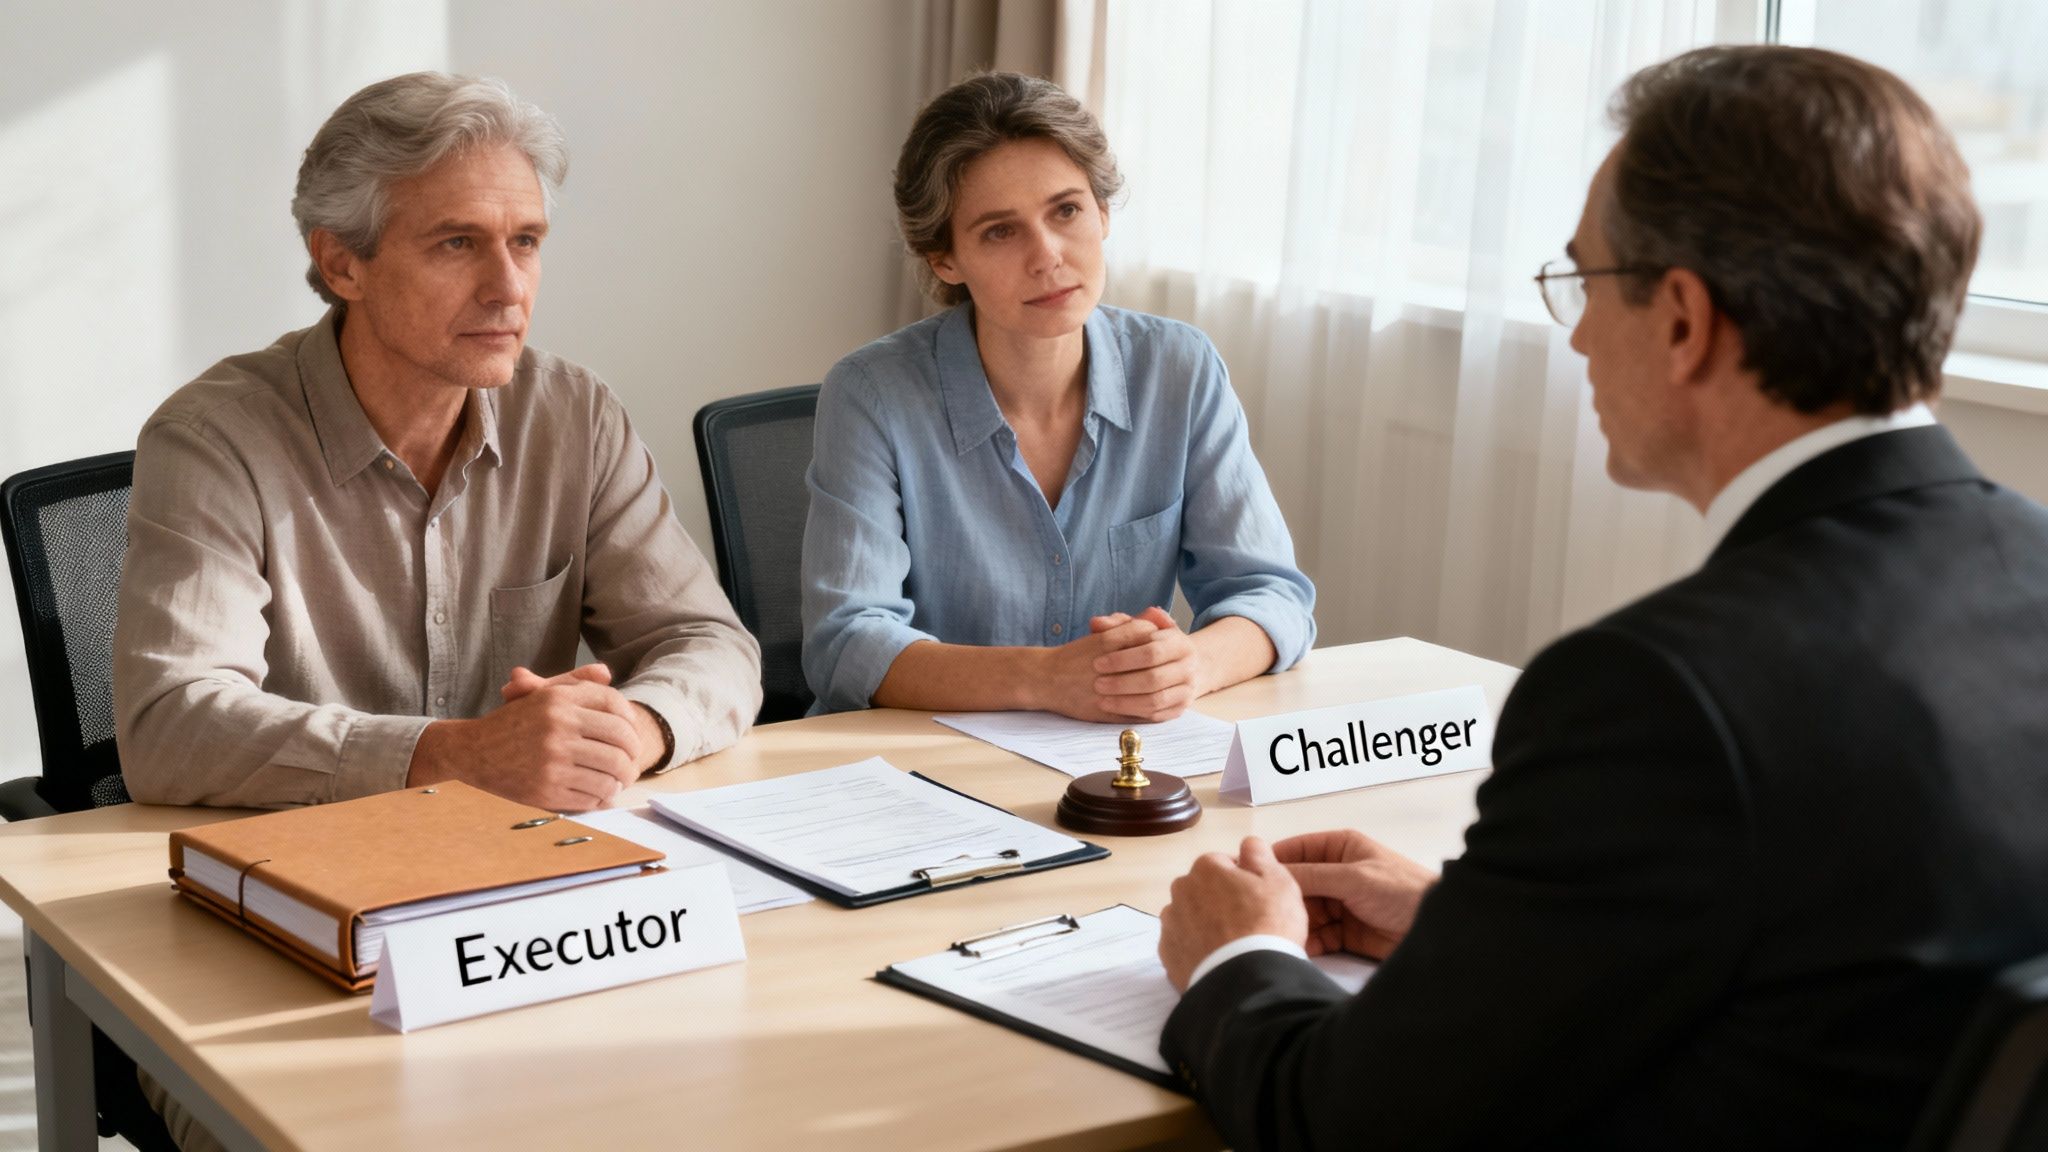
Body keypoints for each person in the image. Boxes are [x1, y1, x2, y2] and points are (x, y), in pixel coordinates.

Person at [1155, 45, 2048, 1150]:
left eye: (1585, 281)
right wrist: (1475, 932)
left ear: (1681, 318)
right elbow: (1836, 965)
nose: (1573, 332)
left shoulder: (1656, 695)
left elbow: (1342, 1121)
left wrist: (1236, 958)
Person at [114, 73, 762, 816]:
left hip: (528, 865)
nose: (509, 288)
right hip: (307, 871)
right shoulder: (214, 441)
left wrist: (633, 732)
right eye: (458, 243)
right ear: (341, 264)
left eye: (525, 241)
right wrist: (455, 757)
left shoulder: (573, 416)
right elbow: (170, 725)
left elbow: (711, 643)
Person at [801, 72, 1315, 720]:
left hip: (1103, 766)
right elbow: (847, 644)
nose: (1047, 256)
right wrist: (1048, 678)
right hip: (910, 775)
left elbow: (1272, 595)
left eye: (1066, 211)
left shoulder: (1180, 370)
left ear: (1102, 213)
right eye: (999, 231)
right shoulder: (872, 395)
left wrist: (1190, 667)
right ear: (944, 259)